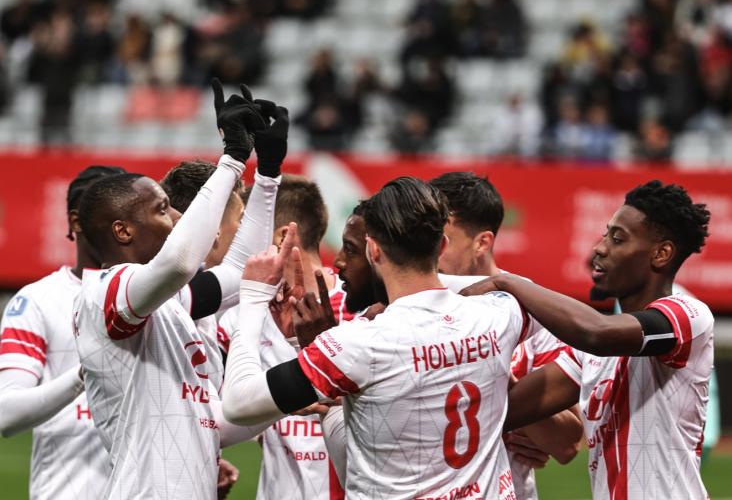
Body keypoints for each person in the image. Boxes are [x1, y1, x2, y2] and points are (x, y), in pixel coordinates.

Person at [221, 177, 546, 498]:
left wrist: (253, 296)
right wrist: (504, 283)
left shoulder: (360, 341)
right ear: (442, 246)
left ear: (373, 250)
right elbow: (558, 314)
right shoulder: (497, 313)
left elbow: (238, 404)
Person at [72, 81, 284, 498]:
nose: (177, 216)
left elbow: (241, 269)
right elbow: (180, 262)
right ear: (123, 231)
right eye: (162, 209)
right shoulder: (104, 290)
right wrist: (231, 160)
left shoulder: (173, 305)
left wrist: (268, 172)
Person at [466, 180, 712, 499]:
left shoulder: (688, 316)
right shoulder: (590, 355)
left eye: (618, 239)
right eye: (605, 235)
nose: (599, 248)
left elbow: (595, 332)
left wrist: (507, 283)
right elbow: (507, 408)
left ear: (661, 253)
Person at [430, 172, 582, 500]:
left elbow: (567, 443)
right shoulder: (413, 302)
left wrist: (490, 370)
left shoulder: (533, 309)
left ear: (482, 242)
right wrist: (510, 422)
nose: (430, 251)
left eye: (442, 240)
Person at [0, 164, 125, 499]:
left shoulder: (161, 298)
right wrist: (83, 375)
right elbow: (5, 415)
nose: (122, 224)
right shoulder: (37, 300)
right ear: (77, 222)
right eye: (111, 212)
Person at [217, 175, 350, 500]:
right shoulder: (240, 316)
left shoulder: (358, 311)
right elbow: (213, 412)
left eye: (247, 230)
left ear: (280, 237)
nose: (236, 242)